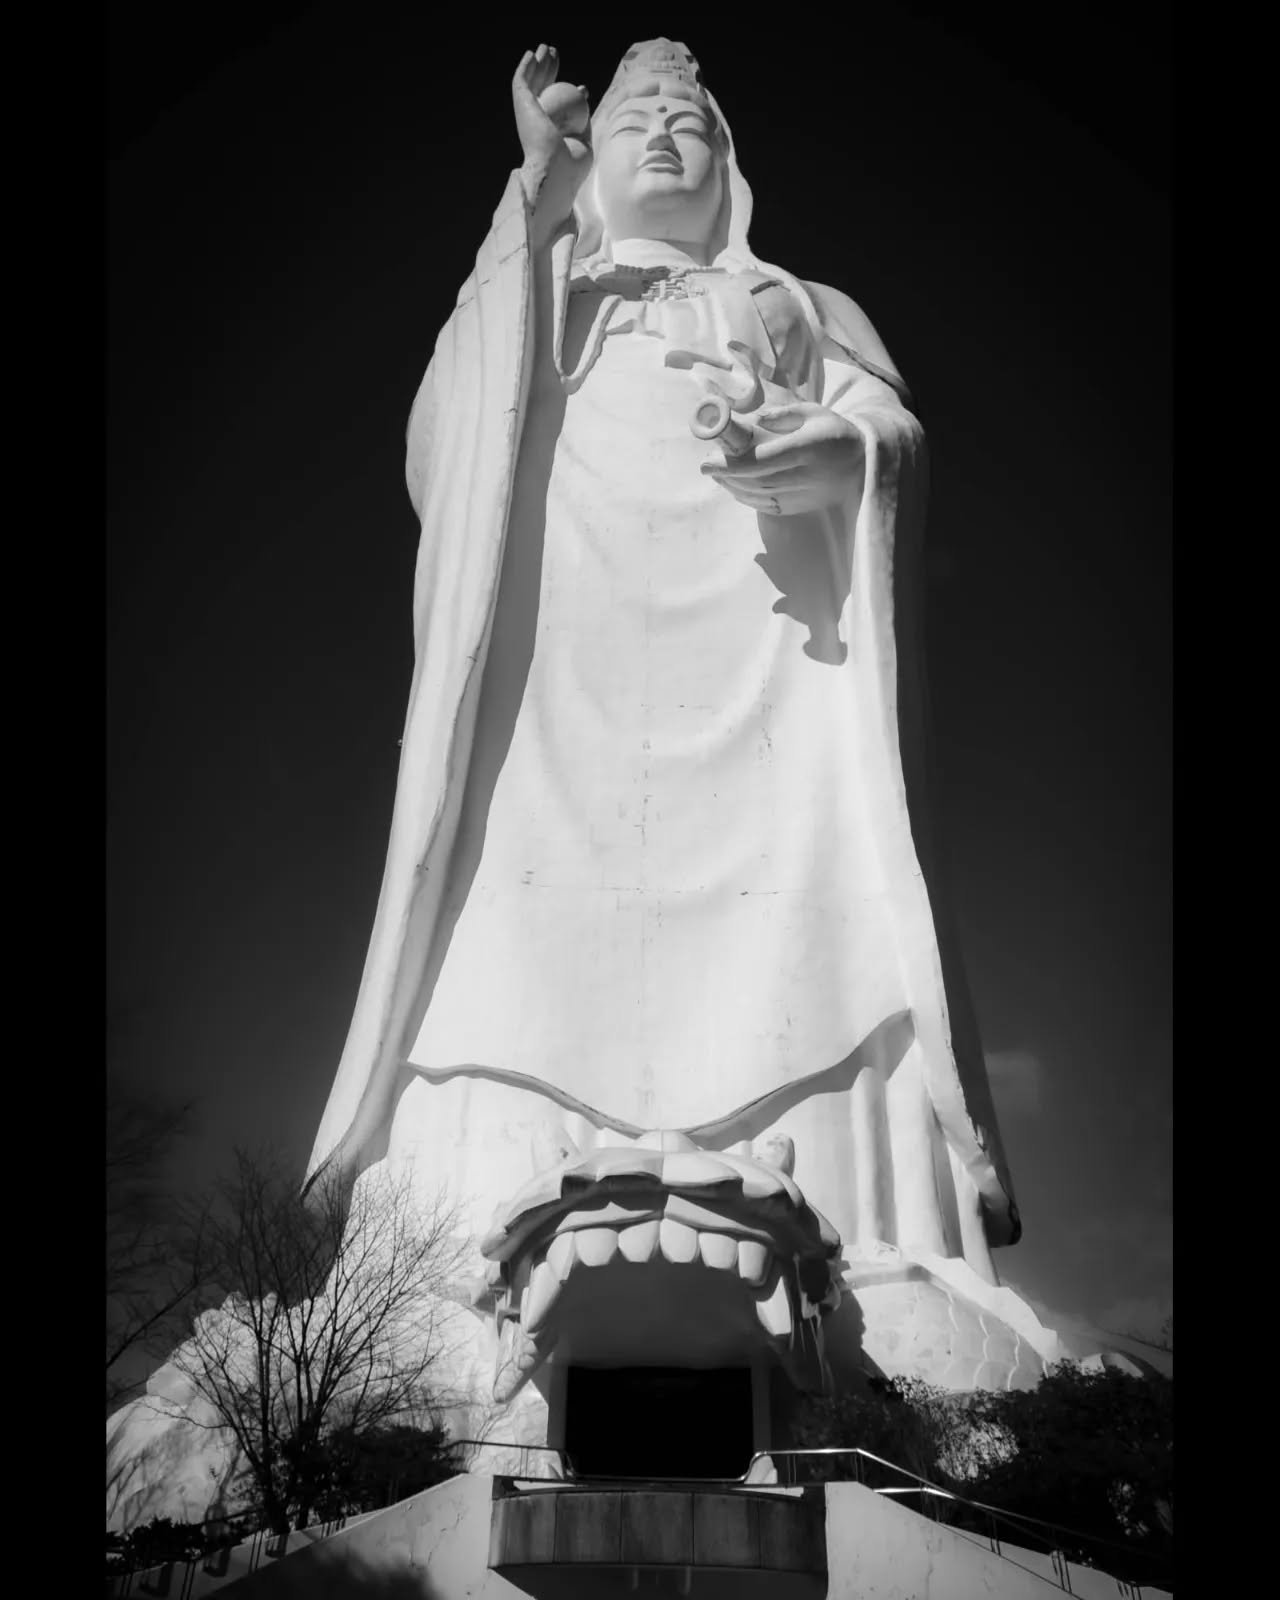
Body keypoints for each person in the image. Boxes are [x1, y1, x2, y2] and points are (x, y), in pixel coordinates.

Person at [306, 40, 1018, 1337]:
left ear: (727, 162)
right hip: (554, 677)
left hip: (768, 665)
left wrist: (846, 450)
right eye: (636, 112)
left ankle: (854, 1216)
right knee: (502, 903)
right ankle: (456, 1231)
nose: (663, 133)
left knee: (815, 901)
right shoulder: (535, 299)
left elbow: (891, 427)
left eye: (689, 116)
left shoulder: (798, 305)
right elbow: (438, 445)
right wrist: (528, 202)